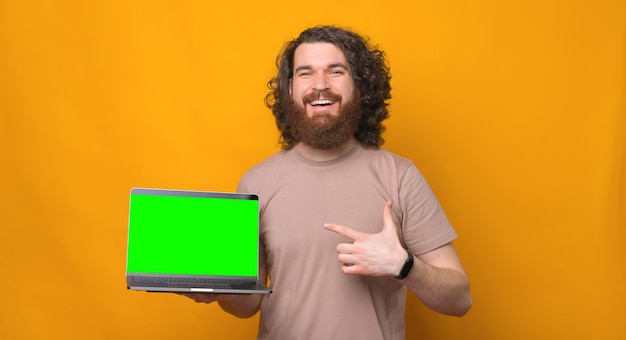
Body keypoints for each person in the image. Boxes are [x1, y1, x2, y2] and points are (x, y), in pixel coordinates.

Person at [183, 25, 472, 339]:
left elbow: (459, 299)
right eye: (305, 73)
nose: (320, 85)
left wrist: (404, 265)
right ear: (290, 88)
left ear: (359, 86)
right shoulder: (257, 181)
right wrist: (218, 291)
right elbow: (248, 303)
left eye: (336, 71)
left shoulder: (400, 176)